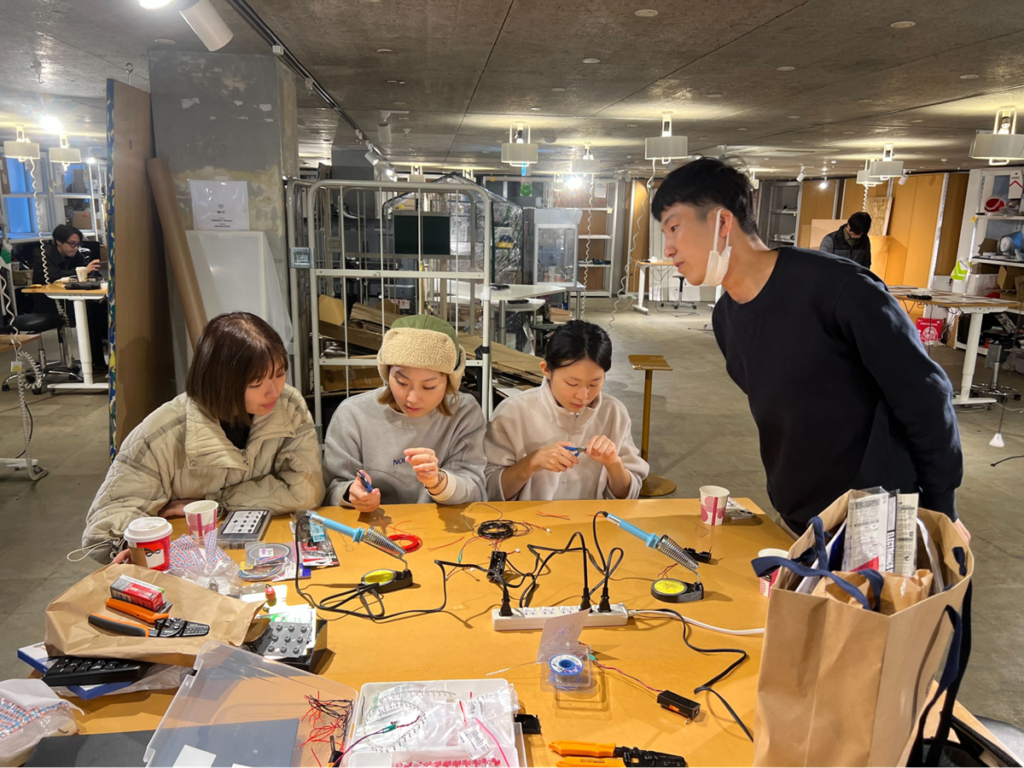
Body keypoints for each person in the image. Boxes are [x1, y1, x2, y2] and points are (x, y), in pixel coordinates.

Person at [652, 158, 969, 542]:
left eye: (674, 228)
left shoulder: (839, 288)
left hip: (876, 516)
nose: (669, 248)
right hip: (799, 515)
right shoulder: (726, 319)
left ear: (721, 222)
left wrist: (941, 508)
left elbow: (924, 394)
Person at [82, 312, 324, 562]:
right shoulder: (162, 431)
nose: (273, 391)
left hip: (266, 550)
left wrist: (213, 502)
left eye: (279, 373)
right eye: (255, 383)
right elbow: (105, 527)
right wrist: (128, 545)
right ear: (220, 381)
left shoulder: (289, 406)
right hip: (187, 562)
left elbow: (306, 491)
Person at [322, 315, 486, 510]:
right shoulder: (353, 414)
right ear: (386, 372)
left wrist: (439, 482)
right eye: (401, 382)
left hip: (443, 524)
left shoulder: (463, 412)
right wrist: (351, 494)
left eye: (429, 386)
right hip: (370, 524)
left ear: (450, 382)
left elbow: (475, 487)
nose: (413, 398)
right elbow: (332, 490)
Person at [485, 320, 648, 501]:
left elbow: (629, 495)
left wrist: (614, 465)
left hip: (593, 517)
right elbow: (490, 491)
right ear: (546, 370)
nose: (583, 396)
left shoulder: (614, 413)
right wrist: (531, 462)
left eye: (594, 384)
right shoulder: (513, 412)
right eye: (572, 383)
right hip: (529, 517)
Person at [33, 223, 107, 372]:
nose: (75, 248)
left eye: (78, 244)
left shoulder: (76, 255)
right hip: (50, 302)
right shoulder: (44, 255)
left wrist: (94, 271)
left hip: (71, 299)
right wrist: (82, 271)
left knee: (102, 307)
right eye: (72, 244)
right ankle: (95, 362)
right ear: (59, 241)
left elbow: (84, 272)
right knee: (90, 314)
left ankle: (100, 353)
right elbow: (53, 276)